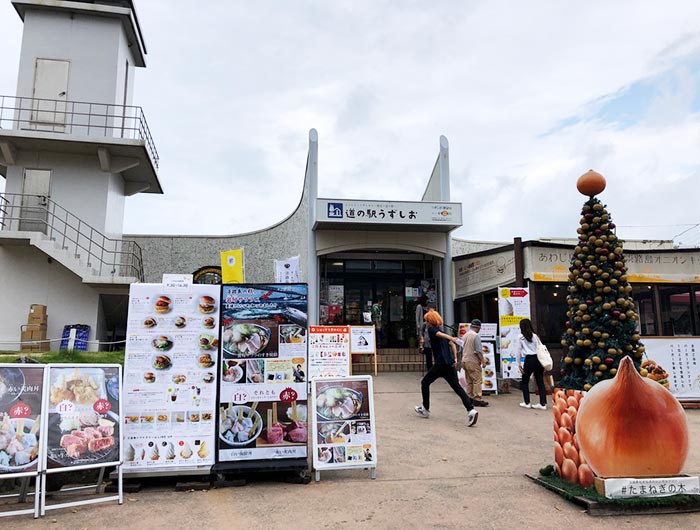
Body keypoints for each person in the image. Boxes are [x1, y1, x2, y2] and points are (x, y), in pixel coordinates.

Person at [414, 309, 479, 427]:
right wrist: (454, 358)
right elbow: (452, 345)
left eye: (426, 320)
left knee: (425, 382)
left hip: (440, 364)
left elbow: (443, 337)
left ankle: (425, 409)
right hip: (449, 364)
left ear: (430, 321)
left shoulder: (433, 329)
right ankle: (471, 410)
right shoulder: (440, 330)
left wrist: (451, 338)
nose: (425, 322)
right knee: (457, 387)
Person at [514, 318, 547, 410]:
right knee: (540, 381)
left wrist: (519, 364)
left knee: (525, 381)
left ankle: (527, 402)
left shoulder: (520, 337)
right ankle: (543, 403)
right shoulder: (535, 336)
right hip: (538, 359)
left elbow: (518, 351)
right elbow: (541, 348)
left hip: (529, 360)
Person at [460, 319, 489, 407]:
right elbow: (478, 351)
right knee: (477, 380)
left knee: (469, 380)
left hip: (465, 360)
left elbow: (460, 349)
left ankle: (469, 397)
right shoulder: (475, 336)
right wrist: (483, 361)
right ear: (478, 327)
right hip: (473, 361)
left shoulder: (464, 335)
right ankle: (477, 398)